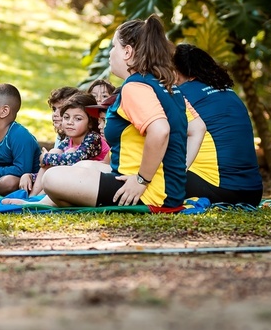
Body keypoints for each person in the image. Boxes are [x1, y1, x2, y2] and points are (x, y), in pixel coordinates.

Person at [40, 15, 203, 211]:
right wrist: (176, 173)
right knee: (83, 166)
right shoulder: (165, 85)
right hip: (164, 188)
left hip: (150, 192)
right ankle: (41, 202)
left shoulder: (134, 86)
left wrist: (142, 180)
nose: (110, 54)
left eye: (113, 47)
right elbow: (198, 127)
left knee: (52, 177)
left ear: (127, 52)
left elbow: (160, 130)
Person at [174, 44, 264, 206]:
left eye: (173, 71)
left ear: (189, 74)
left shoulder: (183, 93)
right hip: (253, 193)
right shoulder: (229, 93)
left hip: (219, 191)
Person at [14, 92, 109, 198]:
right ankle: (33, 196)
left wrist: (45, 157)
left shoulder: (94, 139)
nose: (70, 122)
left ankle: (37, 198)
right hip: (72, 180)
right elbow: (54, 165)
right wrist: (31, 176)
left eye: (78, 119)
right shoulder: (68, 140)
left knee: (68, 153)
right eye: (66, 117)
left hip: (93, 183)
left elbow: (73, 159)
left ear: (90, 122)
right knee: (55, 152)